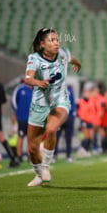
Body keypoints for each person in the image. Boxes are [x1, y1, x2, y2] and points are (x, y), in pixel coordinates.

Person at [25, 28, 81, 187]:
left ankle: (46, 167)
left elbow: (73, 59)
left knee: (51, 129)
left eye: (57, 40)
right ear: (42, 44)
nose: (56, 43)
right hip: (39, 104)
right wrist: (37, 82)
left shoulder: (63, 53)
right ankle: (38, 175)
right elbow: (28, 78)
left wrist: (78, 64)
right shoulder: (34, 59)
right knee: (32, 149)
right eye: (52, 40)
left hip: (60, 101)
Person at [11, 80, 33, 162]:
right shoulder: (20, 89)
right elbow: (14, 102)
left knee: (30, 138)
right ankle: (19, 156)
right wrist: (16, 113)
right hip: (21, 118)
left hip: (32, 119)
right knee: (20, 136)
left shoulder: (36, 90)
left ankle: (30, 156)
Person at [54, 85, 76, 162]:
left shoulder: (69, 91)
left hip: (68, 118)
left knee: (68, 138)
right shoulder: (56, 90)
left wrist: (72, 115)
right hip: (59, 118)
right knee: (56, 138)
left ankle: (69, 155)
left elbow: (73, 103)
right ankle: (54, 155)